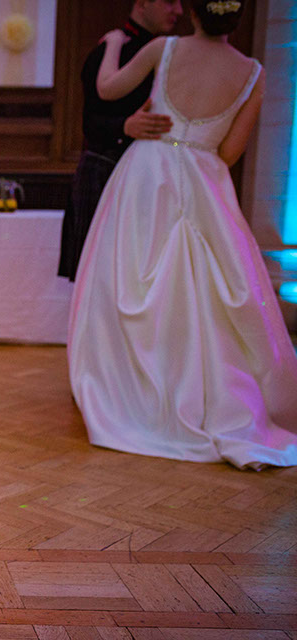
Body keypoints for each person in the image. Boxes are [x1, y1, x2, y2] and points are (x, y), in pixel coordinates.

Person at [68, 0, 297, 469]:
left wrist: (113, 44)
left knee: (132, 283)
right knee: (210, 295)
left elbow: (108, 89)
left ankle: (134, 391)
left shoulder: (162, 49)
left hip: (147, 177)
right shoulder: (253, 73)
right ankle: (208, 395)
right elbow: (230, 152)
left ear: (194, 10)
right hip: (207, 181)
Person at [58, 0, 182, 280]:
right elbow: (89, 123)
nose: (178, 11)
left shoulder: (177, 54)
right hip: (105, 170)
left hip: (155, 178)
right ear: (142, 3)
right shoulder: (110, 50)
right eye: (170, 2)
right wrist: (124, 125)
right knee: (97, 277)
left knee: (144, 278)